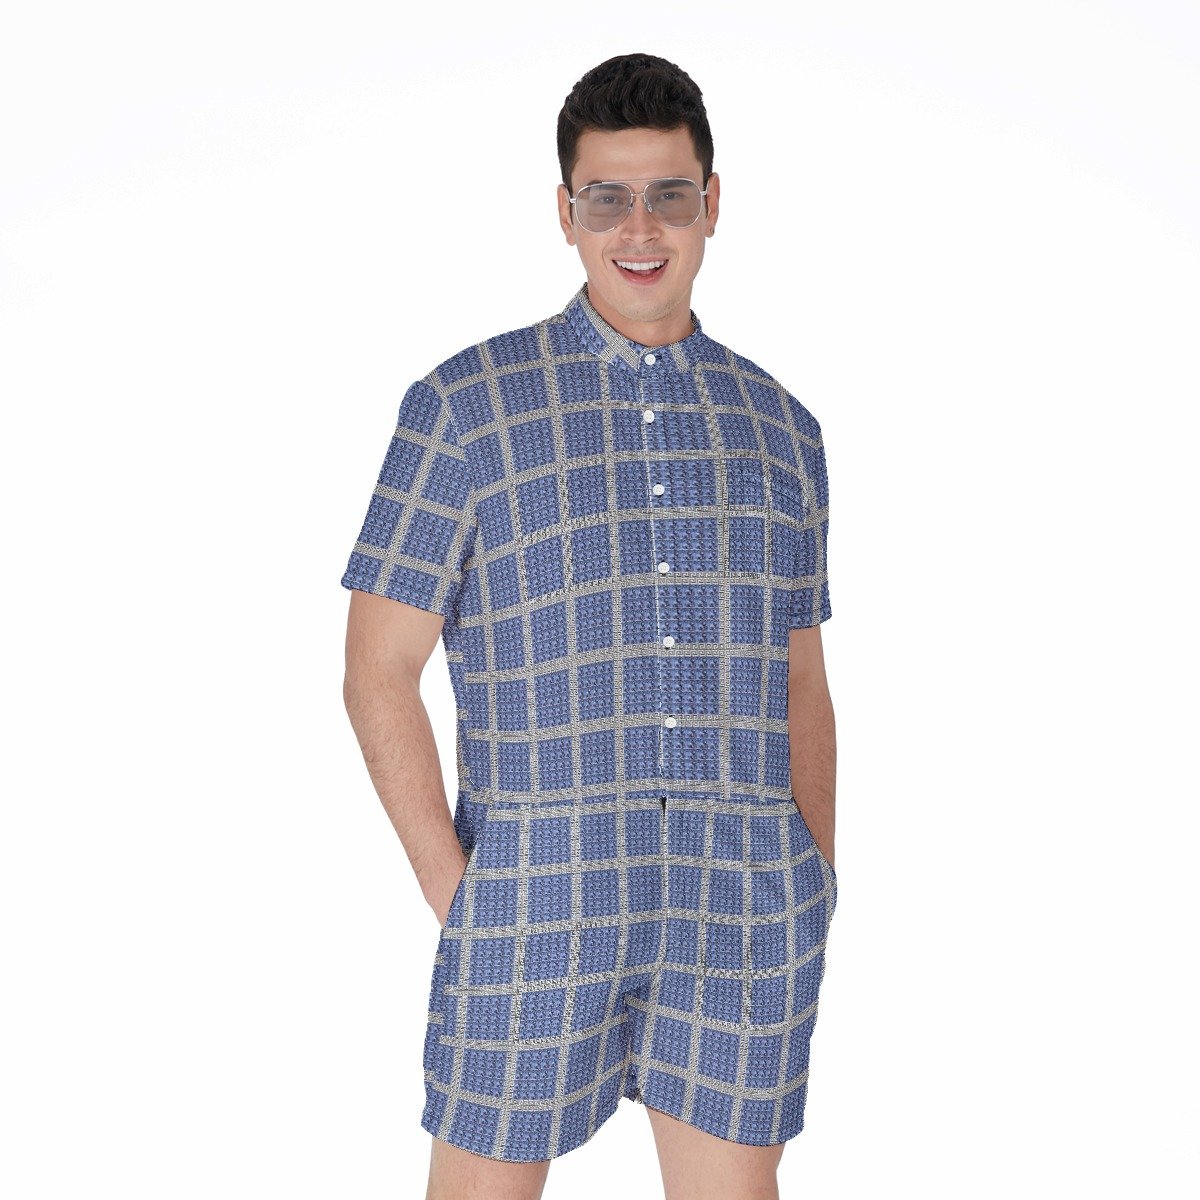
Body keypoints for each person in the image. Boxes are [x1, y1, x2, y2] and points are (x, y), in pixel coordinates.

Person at [340, 52, 838, 1200]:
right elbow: (377, 669)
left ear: (713, 202)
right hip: (538, 889)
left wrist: (813, 863)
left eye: (669, 193)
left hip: (742, 891)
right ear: (565, 213)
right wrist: (463, 894)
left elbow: (801, 677)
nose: (639, 226)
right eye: (607, 197)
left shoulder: (783, 429)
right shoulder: (465, 407)